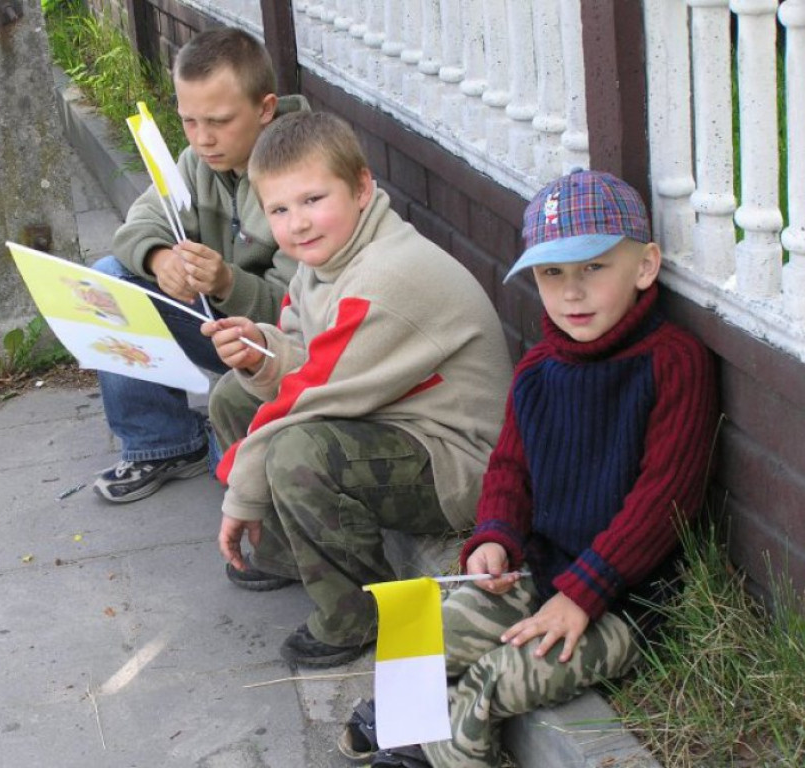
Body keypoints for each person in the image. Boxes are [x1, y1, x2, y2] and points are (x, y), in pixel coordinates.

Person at [340, 169, 719, 767]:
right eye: (552, 274)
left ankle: (434, 745)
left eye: (594, 267)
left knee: (490, 682)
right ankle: (410, 731)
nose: (572, 292)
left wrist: (585, 591)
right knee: (417, 634)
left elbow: (663, 501)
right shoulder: (539, 368)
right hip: (539, 572)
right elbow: (510, 470)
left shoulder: (674, 363)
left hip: (625, 600)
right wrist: (494, 537)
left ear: (645, 266)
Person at [201, 112, 514, 668]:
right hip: (389, 419)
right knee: (233, 391)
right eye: (279, 209)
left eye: (314, 199)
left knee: (299, 452)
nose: (298, 224)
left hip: (459, 462)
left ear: (363, 187)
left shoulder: (385, 277)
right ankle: (283, 552)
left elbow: (312, 398)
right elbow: (307, 355)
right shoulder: (322, 260)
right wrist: (261, 349)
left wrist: (242, 492)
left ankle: (357, 616)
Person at [90, 27, 305, 503]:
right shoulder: (198, 160)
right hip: (221, 329)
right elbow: (138, 223)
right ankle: (161, 442)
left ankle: (218, 438)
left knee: (232, 469)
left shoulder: (302, 171)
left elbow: (296, 310)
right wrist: (158, 256)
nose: (203, 139)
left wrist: (227, 282)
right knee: (110, 277)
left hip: (281, 348)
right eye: (189, 121)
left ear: (266, 108)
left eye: (219, 121)